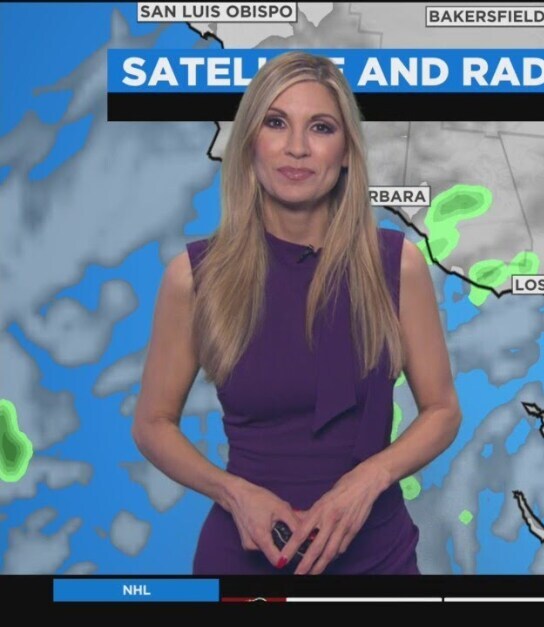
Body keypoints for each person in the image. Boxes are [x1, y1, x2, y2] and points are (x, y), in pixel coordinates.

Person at [132, 51, 461, 575]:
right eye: (276, 123)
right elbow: (152, 424)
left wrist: (369, 479)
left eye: (321, 127)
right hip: (243, 562)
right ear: (250, 143)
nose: (297, 147)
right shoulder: (194, 277)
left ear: (346, 152)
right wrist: (233, 493)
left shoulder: (396, 265)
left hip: (377, 558)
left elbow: (442, 410)